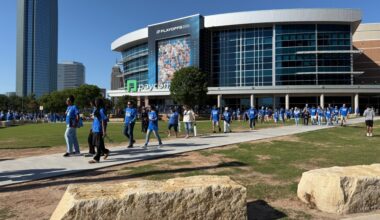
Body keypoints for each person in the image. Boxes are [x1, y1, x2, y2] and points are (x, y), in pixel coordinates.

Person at [89, 98, 110, 163]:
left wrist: (104, 131)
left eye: (96, 102)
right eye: (95, 102)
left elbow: (104, 121)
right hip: (94, 128)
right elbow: (95, 119)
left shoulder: (102, 110)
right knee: (96, 143)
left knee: (98, 144)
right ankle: (106, 151)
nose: (95, 103)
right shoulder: (96, 109)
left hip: (99, 129)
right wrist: (92, 128)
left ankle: (96, 158)